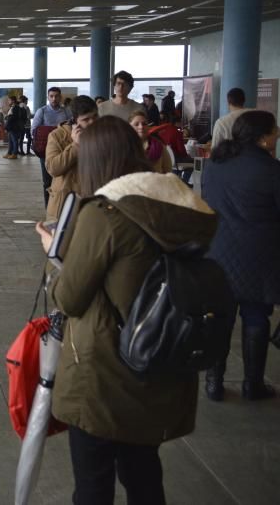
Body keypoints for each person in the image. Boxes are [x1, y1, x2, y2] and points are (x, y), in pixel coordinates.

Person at [35, 116, 213, 505]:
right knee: (144, 473)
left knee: (94, 483)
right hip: (161, 359)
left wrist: (54, 252)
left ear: (97, 160)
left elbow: (70, 297)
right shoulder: (180, 206)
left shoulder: (105, 214)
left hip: (106, 373)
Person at [202, 110, 280, 402]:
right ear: (262, 137)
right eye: (275, 129)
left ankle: (213, 383)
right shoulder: (273, 170)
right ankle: (252, 385)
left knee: (220, 318)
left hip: (218, 251)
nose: (278, 133)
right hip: (259, 255)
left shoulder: (215, 165)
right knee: (257, 316)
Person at [44, 95, 98, 221]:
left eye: (95, 117)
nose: (92, 123)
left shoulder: (102, 135)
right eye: (86, 119)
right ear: (75, 120)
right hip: (64, 204)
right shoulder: (58, 135)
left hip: (93, 203)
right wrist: (76, 145)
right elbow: (53, 168)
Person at [31, 87, 71, 209]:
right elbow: (34, 129)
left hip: (63, 149)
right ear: (48, 97)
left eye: (56, 96)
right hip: (46, 150)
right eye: (51, 96)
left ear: (60, 97)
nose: (54, 99)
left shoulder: (66, 111)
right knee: (47, 181)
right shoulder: (42, 111)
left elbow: (71, 127)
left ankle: (61, 205)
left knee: (63, 179)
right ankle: (49, 207)